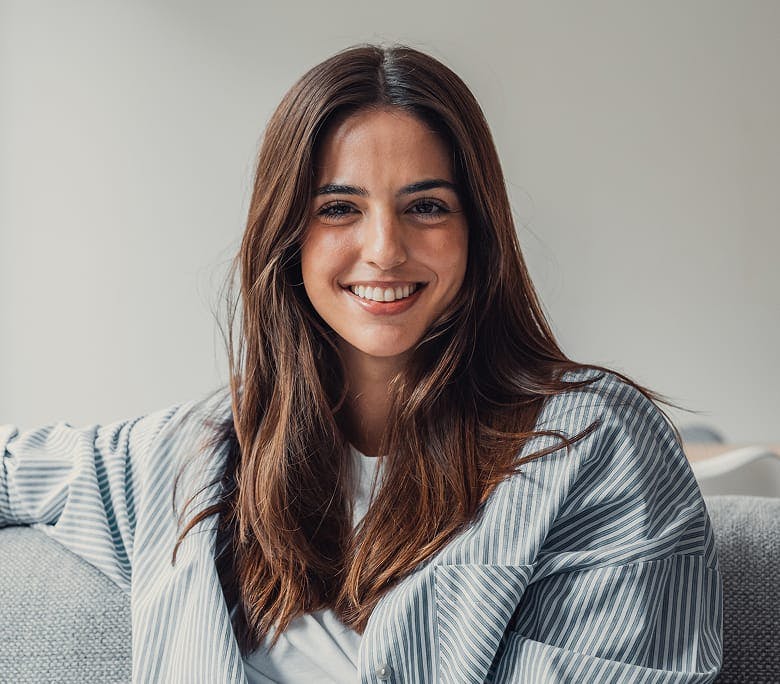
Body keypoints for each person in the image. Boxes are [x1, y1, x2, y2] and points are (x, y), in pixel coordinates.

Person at [0, 44, 723, 683]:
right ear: (287, 236)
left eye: (428, 207)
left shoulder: (594, 445)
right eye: (340, 208)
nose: (384, 249)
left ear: (479, 231)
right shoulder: (186, 457)